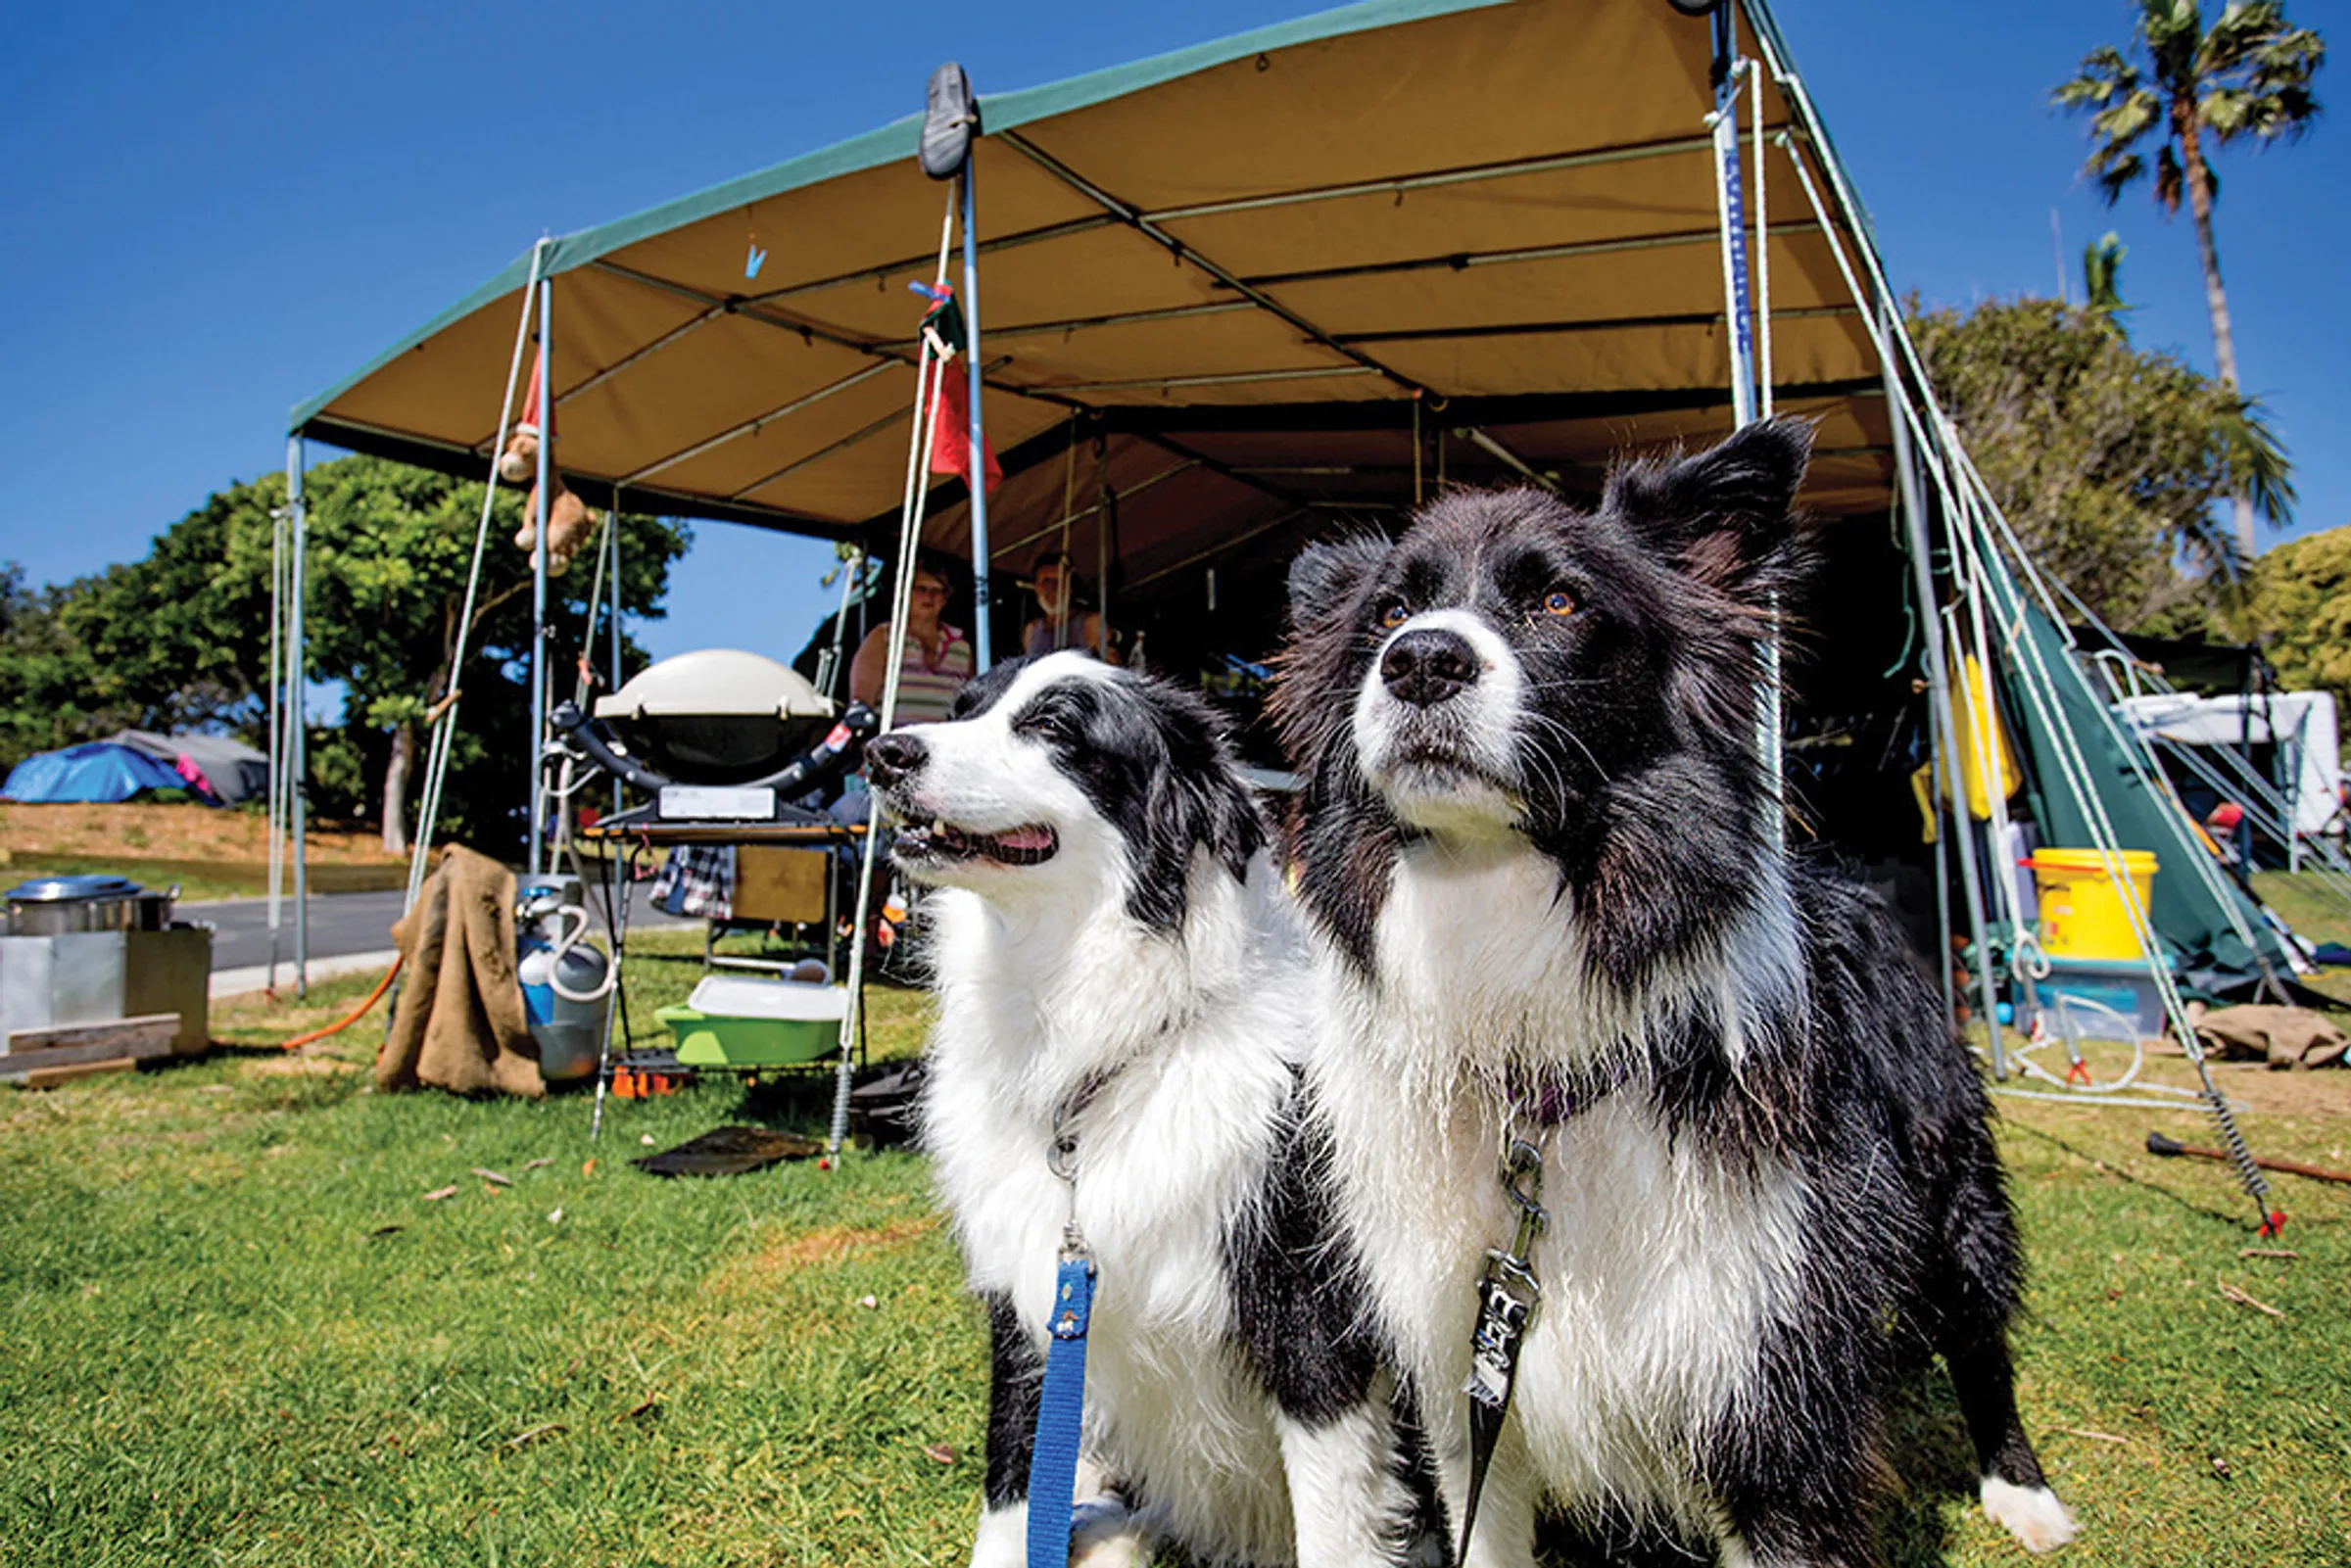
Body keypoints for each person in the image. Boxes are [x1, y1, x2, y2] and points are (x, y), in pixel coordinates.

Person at [848, 554, 974, 725]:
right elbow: (861, 704)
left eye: (937, 590)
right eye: (921, 589)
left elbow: (971, 704)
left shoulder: (961, 647)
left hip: (944, 740)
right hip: (896, 739)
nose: (929, 596)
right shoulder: (884, 637)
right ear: (905, 593)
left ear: (945, 598)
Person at [1021, 550, 1119, 663]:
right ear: (1036, 587)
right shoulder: (1032, 630)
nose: (1053, 588)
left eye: (1059, 581)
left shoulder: (1091, 623)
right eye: (1046, 581)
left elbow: (1113, 665)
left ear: (1070, 587)